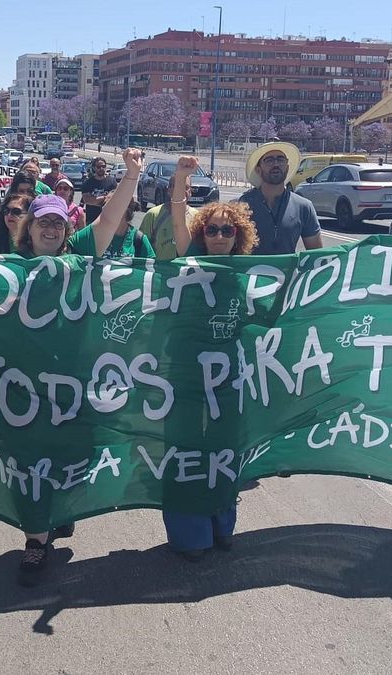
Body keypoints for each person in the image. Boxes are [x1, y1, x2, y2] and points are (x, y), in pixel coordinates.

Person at [7, 149, 143, 585]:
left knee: (72, 456)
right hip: (24, 384)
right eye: (42, 221)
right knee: (28, 460)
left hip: (73, 381)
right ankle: (34, 540)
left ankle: (58, 511)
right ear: (29, 228)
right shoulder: (10, 265)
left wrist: (132, 175)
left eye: (57, 222)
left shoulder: (81, 252)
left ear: (67, 230)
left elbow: (110, 219)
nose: (49, 228)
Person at [160, 156, 257, 560]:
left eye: (226, 229)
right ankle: (191, 532)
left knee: (223, 450)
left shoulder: (249, 272)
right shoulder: (189, 260)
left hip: (229, 379)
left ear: (238, 235)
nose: (219, 235)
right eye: (212, 229)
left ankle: (222, 523)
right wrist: (182, 178)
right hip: (184, 374)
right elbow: (179, 216)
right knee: (185, 449)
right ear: (203, 234)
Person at [237, 142, 323, 255]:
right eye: (269, 160)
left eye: (281, 159)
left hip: (287, 272)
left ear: (287, 168)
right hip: (251, 272)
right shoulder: (241, 206)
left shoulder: (304, 207)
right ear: (258, 169)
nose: (276, 164)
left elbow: (317, 255)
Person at [66, 191, 153, 260]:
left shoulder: (139, 239)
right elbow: (70, 250)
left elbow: (152, 269)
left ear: (127, 211)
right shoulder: (95, 234)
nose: (109, 212)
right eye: (106, 207)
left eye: (115, 207)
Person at [138, 171, 198, 260]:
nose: (181, 190)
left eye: (185, 187)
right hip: (160, 271)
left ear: (190, 192)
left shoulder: (197, 216)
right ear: (169, 189)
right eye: (177, 186)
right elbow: (141, 247)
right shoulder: (153, 215)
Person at [80, 156, 117, 225]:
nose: (101, 168)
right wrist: (105, 198)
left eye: (103, 166)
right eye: (98, 167)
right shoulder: (87, 183)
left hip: (108, 219)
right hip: (91, 220)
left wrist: (96, 200)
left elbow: (114, 199)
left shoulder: (112, 182)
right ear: (94, 168)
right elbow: (88, 200)